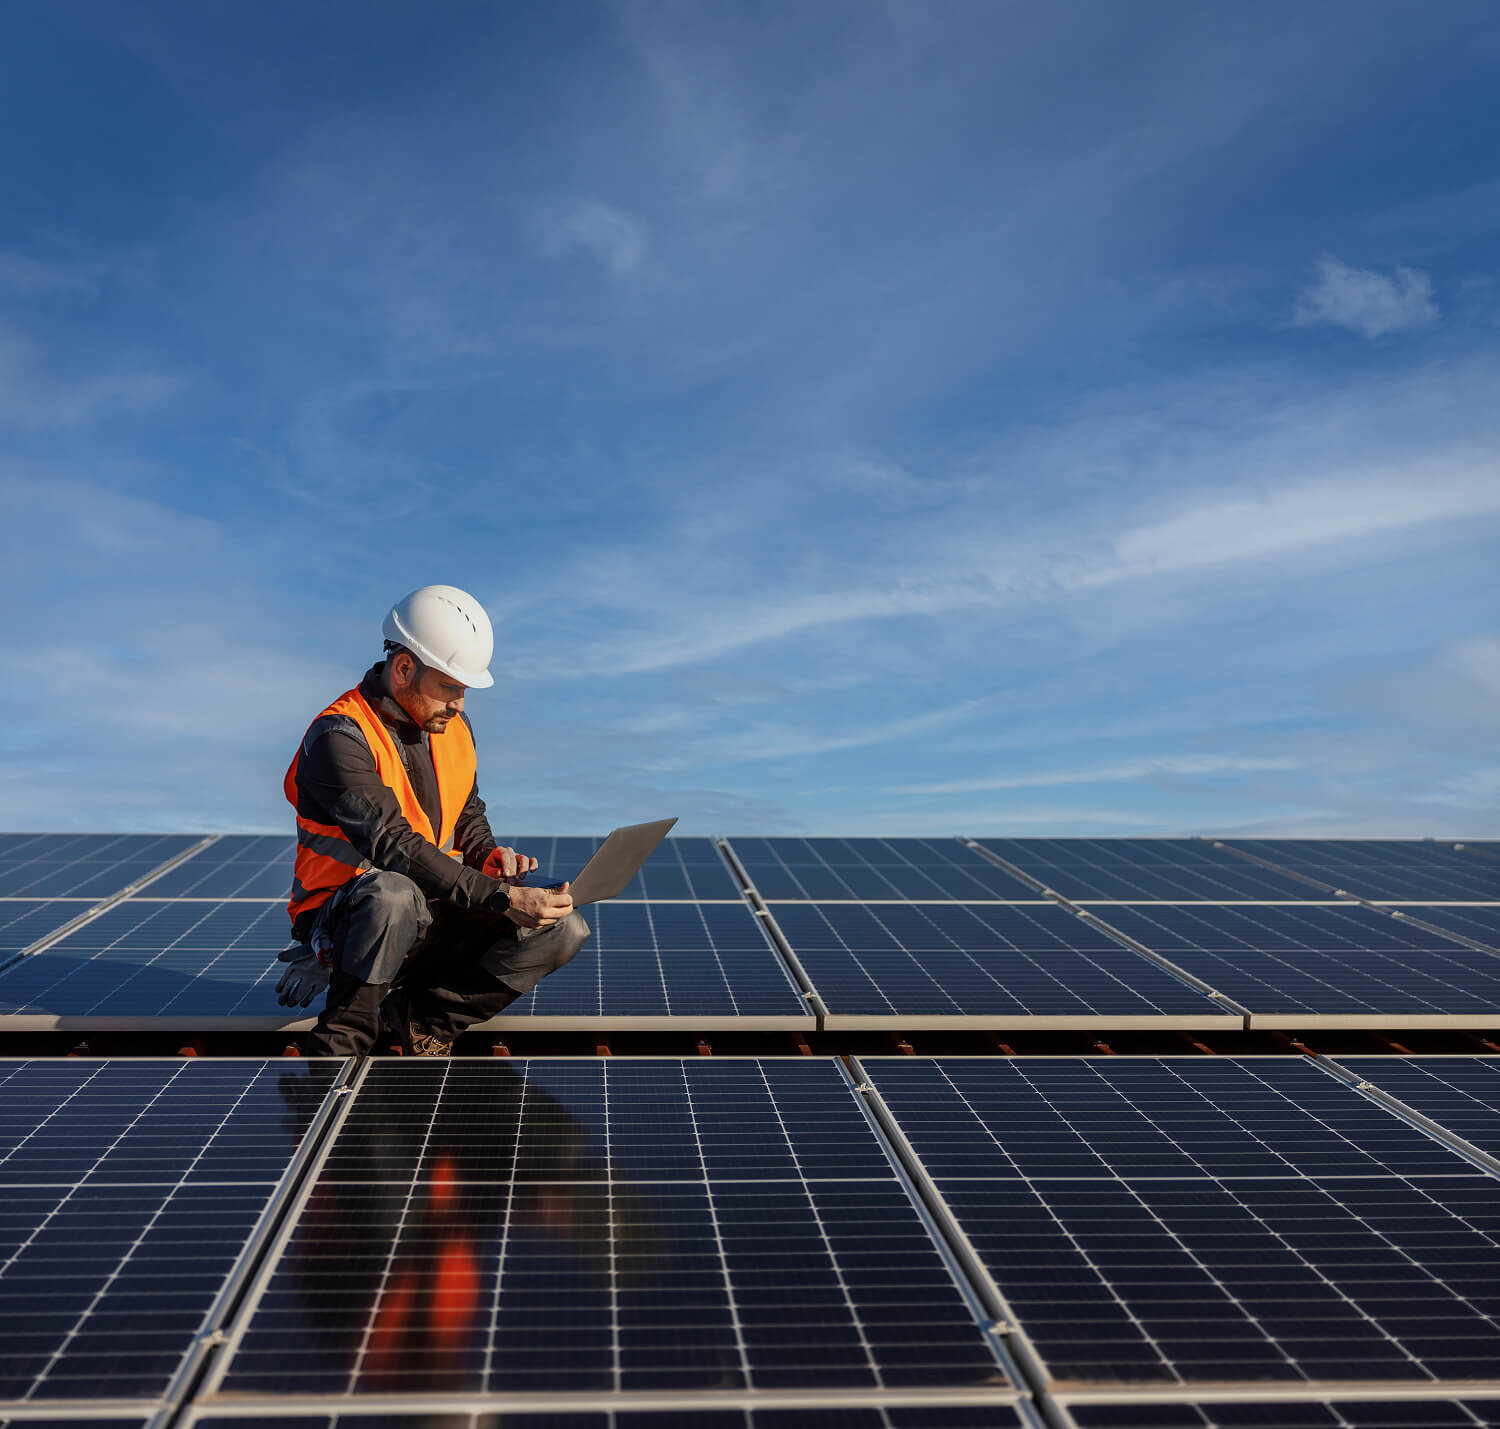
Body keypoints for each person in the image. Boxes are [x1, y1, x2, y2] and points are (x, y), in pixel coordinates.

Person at [276, 584, 589, 1056]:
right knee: (391, 894)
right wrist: (501, 898)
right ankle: (344, 1044)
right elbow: (395, 847)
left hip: (430, 905)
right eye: (450, 687)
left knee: (563, 927)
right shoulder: (339, 737)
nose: (460, 703)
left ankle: (419, 1026)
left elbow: (467, 813)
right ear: (404, 669)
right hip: (348, 919)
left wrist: (489, 855)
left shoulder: (450, 727)